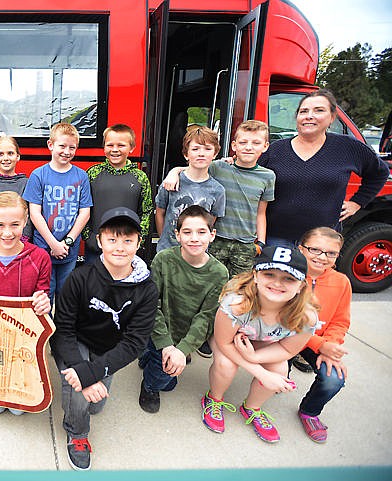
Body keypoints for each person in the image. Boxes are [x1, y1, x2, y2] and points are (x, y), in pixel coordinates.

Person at [51, 207, 158, 471]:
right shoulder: (80, 278)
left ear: (138, 242)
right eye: (112, 239)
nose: (119, 247)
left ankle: (84, 384)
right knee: (79, 392)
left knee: (95, 405)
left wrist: (96, 371)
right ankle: (77, 434)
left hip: (110, 347)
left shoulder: (147, 289)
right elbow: (63, 329)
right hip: (76, 340)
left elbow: (134, 342)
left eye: (127, 240)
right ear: (99, 241)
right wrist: (82, 372)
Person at [161, 120, 276, 357]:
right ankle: (178, 339)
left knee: (230, 291)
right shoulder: (218, 168)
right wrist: (173, 171)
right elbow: (192, 166)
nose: (248, 147)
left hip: (240, 243)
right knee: (186, 292)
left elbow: (260, 211)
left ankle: (215, 334)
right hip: (204, 243)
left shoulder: (263, 177)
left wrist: (260, 243)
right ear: (233, 145)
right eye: (243, 142)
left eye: (255, 143)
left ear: (265, 146)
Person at [201, 245, 318, 443]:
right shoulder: (236, 303)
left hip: (265, 344)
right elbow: (223, 342)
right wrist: (261, 373)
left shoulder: (306, 316)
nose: (277, 283)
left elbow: (288, 349)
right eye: (269, 274)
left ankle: (252, 408)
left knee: (279, 370)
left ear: (301, 285)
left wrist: (254, 357)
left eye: (289, 278)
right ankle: (214, 398)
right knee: (226, 365)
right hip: (231, 340)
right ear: (255, 275)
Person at [259, 89, 389, 249]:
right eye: (303, 111)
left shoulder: (348, 147)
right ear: (297, 117)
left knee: (316, 276)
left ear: (332, 117)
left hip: (321, 242)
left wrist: (357, 202)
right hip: (276, 239)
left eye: (319, 110)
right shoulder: (276, 150)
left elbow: (379, 173)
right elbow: (252, 175)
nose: (309, 116)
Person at [139, 205, 228, 413]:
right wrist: (166, 345)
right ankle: (149, 386)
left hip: (185, 333)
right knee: (161, 373)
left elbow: (206, 317)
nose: (194, 238)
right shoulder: (163, 260)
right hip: (159, 328)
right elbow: (152, 304)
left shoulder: (219, 273)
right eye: (187, 232)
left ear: (212, 235)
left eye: (201, 232)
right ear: (177, 235)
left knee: (169, 379)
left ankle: (152, 357)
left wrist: (183, 349)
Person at [0, 191, 52, 415]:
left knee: (17, 408)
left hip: (21, 339)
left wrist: (43, 302)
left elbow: (42, 294)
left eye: (15, 224)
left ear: (26, 221)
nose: (7, 233)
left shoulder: (40, 258)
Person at [23, 122, 92, 302]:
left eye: (72, 147)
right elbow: (34, 213)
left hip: (70, 249)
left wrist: (67, 241)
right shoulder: (38, 175)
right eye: (62, 146)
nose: (66, 151)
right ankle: (48, 329)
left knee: (66, 293)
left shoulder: (81, 176)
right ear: (50, 145)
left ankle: (63, 330)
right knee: (45, 293)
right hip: (43, 247)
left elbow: (85, 212)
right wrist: (53, 244)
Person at [293, 227, 350, 443]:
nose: (322, 257)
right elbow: (283, 320)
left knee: (334, 379)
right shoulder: (290, 275)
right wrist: (320, 345)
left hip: (319, 343)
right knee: (277, 372)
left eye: (330, 253)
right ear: (301, 249)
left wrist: (330, 347)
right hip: (284, 337)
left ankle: (310, 411)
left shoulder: (342, 282)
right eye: (315, 250)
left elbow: (340, 320)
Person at [84, 124, 153, 262]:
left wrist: (138, 239)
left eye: (121, 145)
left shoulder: (140, 177)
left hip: (126, 249)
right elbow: (82, 208)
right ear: (104, 147)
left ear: (132, 148)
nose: (115, 150)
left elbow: (146, 211)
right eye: (110, 145)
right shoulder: (92, 173)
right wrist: (88, 237)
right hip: (96, 247)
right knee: (93, 283)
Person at [155, 126, 225, 252]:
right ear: (186, 154)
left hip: (197, 253)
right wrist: (163, 240)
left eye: (207, 149)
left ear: (215, 154)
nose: (201, 153)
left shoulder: (218, 190)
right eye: (195, 149)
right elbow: (160, 212)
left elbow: (211, 221)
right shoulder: (171, 182)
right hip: (168, 250)